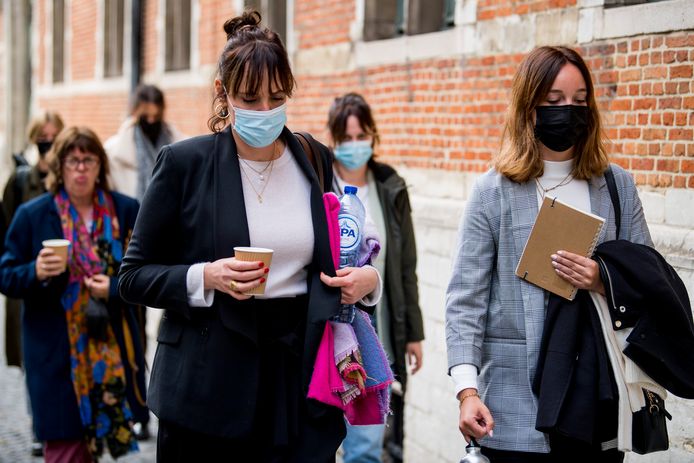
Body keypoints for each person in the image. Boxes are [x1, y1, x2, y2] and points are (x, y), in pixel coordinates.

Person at [117, 11, 381, 463]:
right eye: (250, 97)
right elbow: (133, 276)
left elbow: (346, 244)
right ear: (224, 93)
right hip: (209, 383)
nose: (264, 110)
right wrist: (207, 276)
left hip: (296, 378)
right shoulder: (184, 164)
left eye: (276, 97)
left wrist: (367, 281)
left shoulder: (312, 156)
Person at [445, 46, 653, 462]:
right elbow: (465, 302)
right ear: (529, 106)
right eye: (554, 102)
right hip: (512, 410)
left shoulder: (616, 187)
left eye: (580, 101)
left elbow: (647, 278)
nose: (569, 112)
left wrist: (602, 278)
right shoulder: (493, 192)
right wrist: (467, 392)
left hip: (596, 401)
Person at [0, 127, 147, 462]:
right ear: (60, 167)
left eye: (88, 160)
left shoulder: (125, 211)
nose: (80, 169)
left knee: (95, 450)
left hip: (111, 353)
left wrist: (115, 287)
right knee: (64, 451)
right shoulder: (34, 215)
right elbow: (5, 275)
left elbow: (146, 276)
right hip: (56, 355)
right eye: (72, 161)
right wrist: (35, 271)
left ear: (100, 166)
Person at [326, 93, 424, 463]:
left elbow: (405, 265)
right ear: (333, 139)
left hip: (376, 329)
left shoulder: (390, 187)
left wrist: (413, 333)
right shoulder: (320, 182)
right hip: (327, 334)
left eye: (362, 135)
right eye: (346, 137)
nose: (355, 145)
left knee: (365, 446)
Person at [2, 110, 64, 458]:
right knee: (31, 358)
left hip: (61, 286)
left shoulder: (66, 179)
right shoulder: (21, 180)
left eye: (54, 138)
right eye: (42, 138)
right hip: (28, 282)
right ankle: (39, 425)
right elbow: (6, 232)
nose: (47, 145)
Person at [105, 83, 184, 201]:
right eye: (145, 116)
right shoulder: (113, 150)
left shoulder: (180, 144)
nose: (151, 121)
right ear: (135, 113)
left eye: (156, 116)